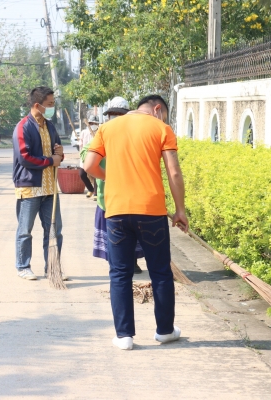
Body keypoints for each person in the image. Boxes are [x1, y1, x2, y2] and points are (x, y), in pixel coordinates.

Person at [85, 94, 189, 350]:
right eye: (164, 115)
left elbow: (89, 166)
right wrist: (180, 210)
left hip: (116, 211)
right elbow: (174, 172)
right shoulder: (161, 128)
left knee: (120, 273)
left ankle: (124, 336)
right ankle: (165, 331)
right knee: (160, 272)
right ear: (157, 109)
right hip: (151, 211)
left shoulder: (107, 128)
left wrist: (112, 178)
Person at [80, 97, 144, 274]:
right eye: (112, 114)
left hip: (132, 195)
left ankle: (132, 262)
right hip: (108, 196)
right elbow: (86, 155)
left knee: (132, 231)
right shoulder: (104, 133)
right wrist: (103, 163)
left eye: (119, 114)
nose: (115, 117)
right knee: (113, 235)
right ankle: (117, 264)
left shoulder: (135, 134)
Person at [12, 87, 65, 280]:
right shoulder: (23, 127)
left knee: (54, 231)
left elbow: (57, 153)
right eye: (50, 104)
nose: (52, 107)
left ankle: (52, 268)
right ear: (37, 105)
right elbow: (25, 158)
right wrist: (51, 160)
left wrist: (59, 154)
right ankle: (23, 266)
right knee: (25, 231)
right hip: (30, 188)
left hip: (50, 187)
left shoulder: (50, 126)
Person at [78, 115, 99, 198]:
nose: (93, 125)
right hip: (85, 156)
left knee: (96, 175)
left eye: (95, 123)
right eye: (91, 123)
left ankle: (96, 193)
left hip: (96, 155)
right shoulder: (84, 132)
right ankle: (91, 189)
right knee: (82, 174)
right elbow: (81, 144)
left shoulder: (100, 132)